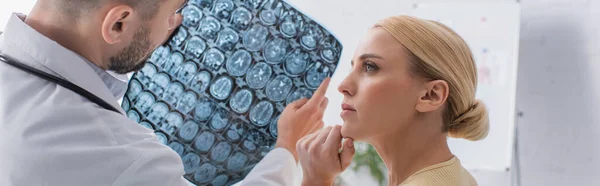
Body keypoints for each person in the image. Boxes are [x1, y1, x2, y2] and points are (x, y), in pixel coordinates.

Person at [0, 0, 329, 185]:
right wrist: (286, 150)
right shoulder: (124, 158)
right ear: (118, 23)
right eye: (174, 10)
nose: (179, 22)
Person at [296, 15, 490, 186]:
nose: (343, 85)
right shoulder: (456, 177)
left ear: (430, 95)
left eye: (370, 67)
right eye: (353, 67)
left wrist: (316, 181)